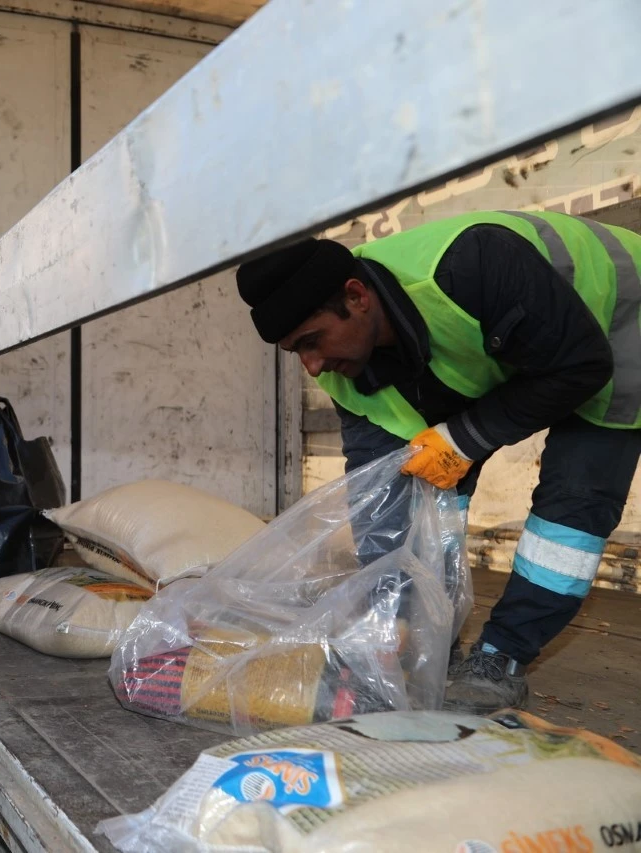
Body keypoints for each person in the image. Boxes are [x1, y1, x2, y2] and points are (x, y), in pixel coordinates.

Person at [235, 210, 641, 714]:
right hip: (513, 335)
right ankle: (434, 637)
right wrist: (399, 624)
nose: (311, 367)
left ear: (357, 298)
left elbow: (581, 364)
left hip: (622, 321)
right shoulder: (344, 371)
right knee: (424, 496)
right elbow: (381, 505)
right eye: (295, 351)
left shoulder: (473, 264)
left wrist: (466, 436)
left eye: (312, 341)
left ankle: (504, 657)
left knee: (572, 508)